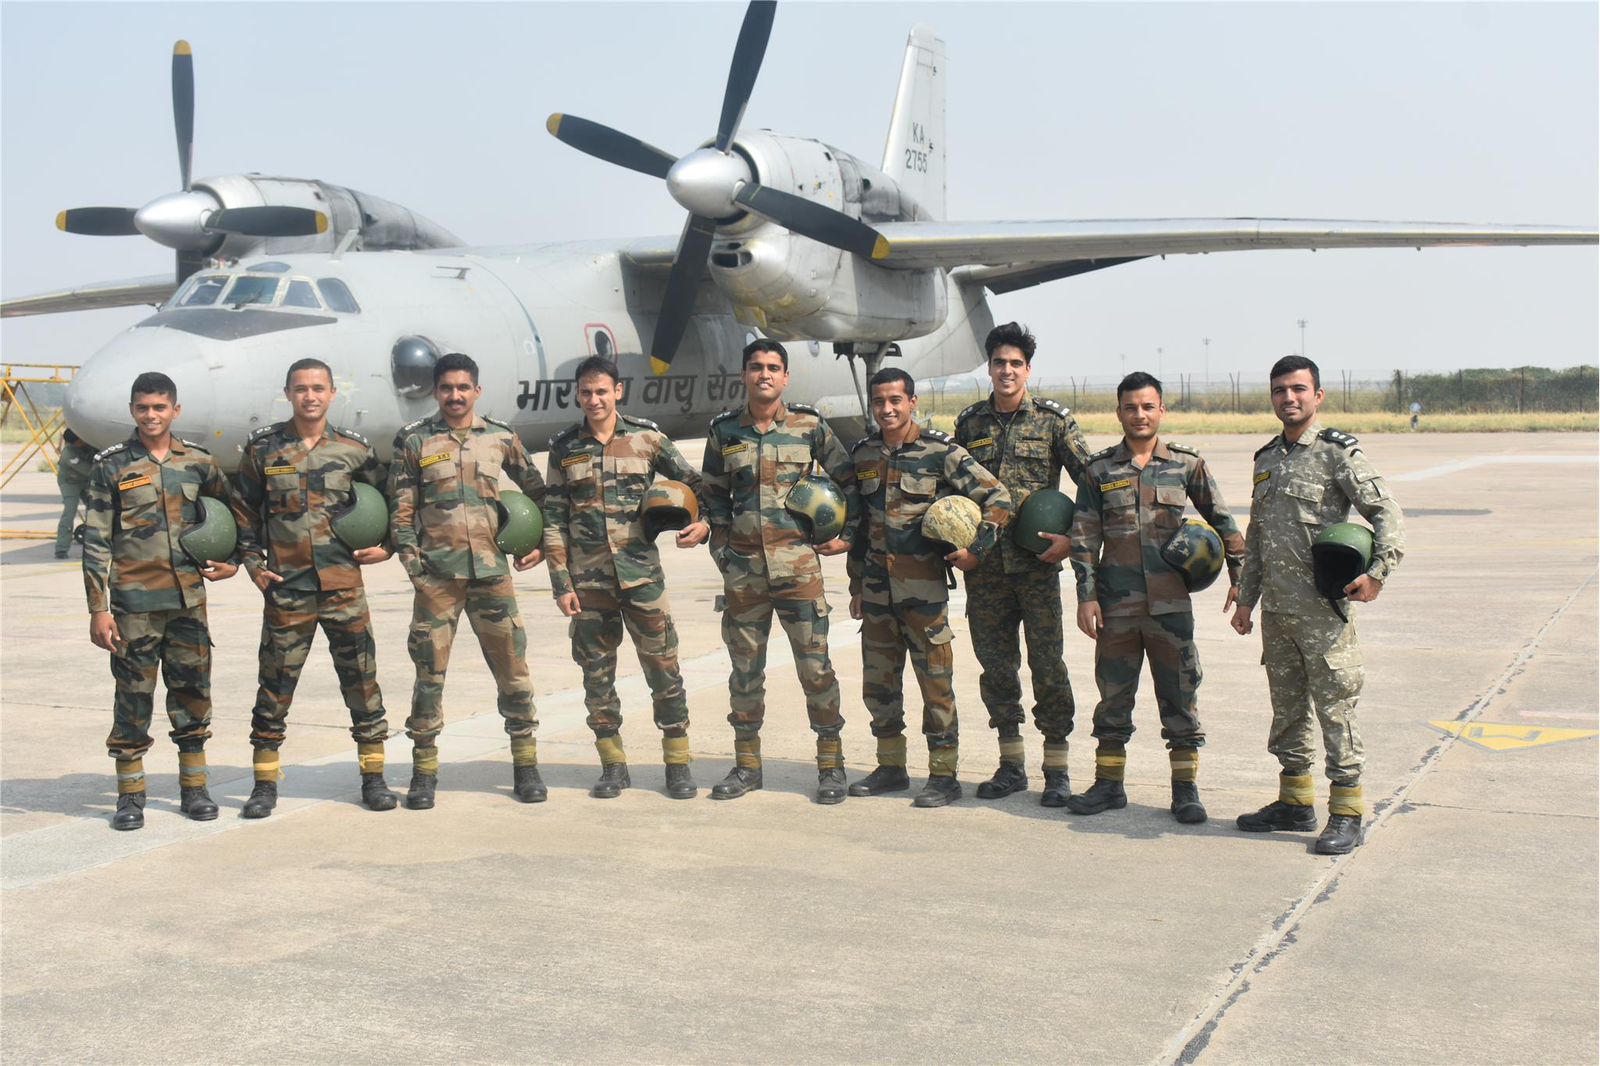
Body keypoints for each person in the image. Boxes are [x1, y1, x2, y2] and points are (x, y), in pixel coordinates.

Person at [1229, 355, 1405, 854]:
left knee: (1335, 711)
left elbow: (1385, 511)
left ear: (1317, 396)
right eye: (1280, 390)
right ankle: (1295, 802)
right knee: (1287, 712)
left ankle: (1347, 812)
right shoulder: (1266, 458)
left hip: (1323, 613)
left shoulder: (1336, 453)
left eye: (1298, 389)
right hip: (1277, 614)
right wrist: (1246, 599)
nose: (1289, 398)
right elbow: (1258, 535)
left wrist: (1377, 573)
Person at [1067, 372, 1244, 824]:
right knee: (1113, 698)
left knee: (1180, 697)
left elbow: (1223, 522)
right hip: (1116, 606)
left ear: (1161, 410)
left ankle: (1185, 791)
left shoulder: (1186, 465)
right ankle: (1108, 785)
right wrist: (1086, 595)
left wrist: (1240, 576)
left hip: (1171, 605)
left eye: (1148, 407)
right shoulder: (1099, 470)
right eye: (1131, 407)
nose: (1139, 415)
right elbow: (1084, 535)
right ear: (1119, 412)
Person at [231, 358, 398, 818]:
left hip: (344, 587)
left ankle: (374, 779)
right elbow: (243, 510)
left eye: (318, 388)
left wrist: (387, 545)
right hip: (287, 589)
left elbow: (391, 500)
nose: (310, 396)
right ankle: (264, 784)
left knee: (362, 684)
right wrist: (252, 563)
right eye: (301, 388)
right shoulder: (263, 450)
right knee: (274, 688)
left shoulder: (354, 450)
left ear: (332, 393)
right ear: (287, 393)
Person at [701, 339, 860, 803]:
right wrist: (723, 553)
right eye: (756, 367)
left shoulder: (809, 426)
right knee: (744, 673)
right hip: (745, 574)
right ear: (744, 375)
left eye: (773, 367)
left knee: (816, 670)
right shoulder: (724, 432)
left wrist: (846, 535)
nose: (764, 374)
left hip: (799, 570)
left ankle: (831, 767)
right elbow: (713, 496)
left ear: (786, 377)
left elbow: (850, 480)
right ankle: (747, 767)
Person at [388, 352, 548, 810]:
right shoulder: (415, 440)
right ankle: (423, 772)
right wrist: (416, 571)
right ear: (436, 392)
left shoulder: (500, 437)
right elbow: (400, 511)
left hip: (492, 574)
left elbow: (539, 492)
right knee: (428, 675)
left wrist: (537, 542)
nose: (455, 396)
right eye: (446, 388)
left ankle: (526, 766)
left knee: (513, 671)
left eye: (463, 387)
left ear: (477, 390)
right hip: (437, 580)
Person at [81, 371, 239, 831]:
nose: (151, 415)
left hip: (188, 602)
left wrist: (231, 560)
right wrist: (98, 608)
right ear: (132, 410)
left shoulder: (199, 462)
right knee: (133, 699)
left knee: (193, 695)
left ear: (175, 410)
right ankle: (130, 795)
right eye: (143, 407)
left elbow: (230, 516)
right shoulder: (112, 466)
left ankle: (195, 789)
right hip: (134, 607)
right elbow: (95, 542)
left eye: (159, 407)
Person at [846, 368, 1012, 808]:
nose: (887, 409)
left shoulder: (941, 452)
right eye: (879, 401)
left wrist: (977, 550)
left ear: (912, 402)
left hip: (924, 595)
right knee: (879, 687)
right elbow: (860, 526)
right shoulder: (863, 455)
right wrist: (856, 583)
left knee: (936, 687)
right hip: (877, 594)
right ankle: (890, 768)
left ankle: (943, 775)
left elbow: (998, 497)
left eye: (895, 400)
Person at [544, 356, 707, 800]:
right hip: (588, 584)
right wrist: (561, 584)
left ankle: (677, 764)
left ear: (618, 391)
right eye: (586, 392)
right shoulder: (565, 447)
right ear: (578, 395)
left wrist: (703, 523)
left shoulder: (647, 438)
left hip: (642, 579)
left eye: (601, 391)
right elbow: (554, 519)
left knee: (664, 671)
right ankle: (613, 765)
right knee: (597, 678)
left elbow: (696, 483)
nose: (594, 400)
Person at [954, 322, 1091, 806]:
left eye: (1015, 363)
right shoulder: (970, 425)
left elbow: (1092, 484)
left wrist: (1072, 540)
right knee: (996, 668)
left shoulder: (1053, 422)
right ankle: (1011, 765)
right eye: (999, 363)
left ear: (1028, 369)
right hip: (985, 569)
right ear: (989, 368)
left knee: (1048, 666)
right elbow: (953, 489)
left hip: (1037, 568)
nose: (1007, 371)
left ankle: (1057, 770)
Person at [55, 428, 96, 558]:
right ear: (75, 442)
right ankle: (61, 548)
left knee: (96, 509)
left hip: (85, 481)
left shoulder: (89, 446)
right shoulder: (68, 454)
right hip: (70, 483)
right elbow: (88, 470)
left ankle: (95, 545)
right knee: (70, 511)